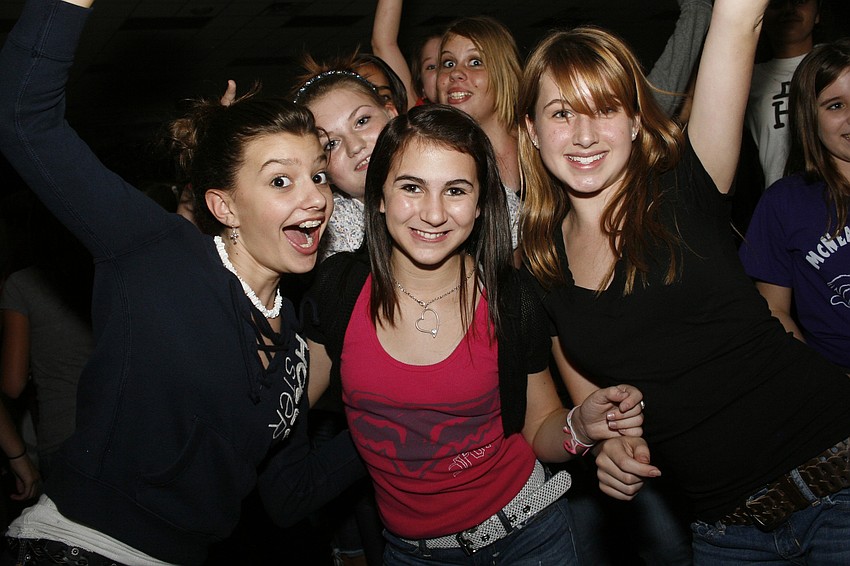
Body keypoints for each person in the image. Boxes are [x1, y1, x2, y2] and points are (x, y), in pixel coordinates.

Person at [0, 0, 366, 564]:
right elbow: (24, 119)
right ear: (224, 205)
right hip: (77, 549)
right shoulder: (161, 257)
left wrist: (401, 425)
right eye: (280, 180)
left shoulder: (292, 339)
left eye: (317, 175)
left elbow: (291, 495)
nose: (315, 197)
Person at [518, 0, 850, 563]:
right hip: (725, 531)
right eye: (560, 113)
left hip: (838, 477)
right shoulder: (540, 264)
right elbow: (592, 414)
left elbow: (738, 18)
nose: (583, 134)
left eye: (605, 108)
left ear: (635, 119)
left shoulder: (688, 184)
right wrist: (610, 445)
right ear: (530, 129)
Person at [305, 104, 645, 565]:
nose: (433, 213)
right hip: (411, 554)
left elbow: (539, 427)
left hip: (531, 537)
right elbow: (278, 413)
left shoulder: (511, 297)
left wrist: (579, 427)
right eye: (411, 187)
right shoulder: (338, 289)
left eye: (456, 190)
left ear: (482, 202)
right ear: (379, 195)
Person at [739, 38, 850, 372]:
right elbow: (774, 309)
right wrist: (823, 382)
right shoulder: (784, 203)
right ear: (808, 117)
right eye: (835, 105)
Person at [291, 61, 400, 260]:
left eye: (362, 121)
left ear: (391, 115)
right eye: (331, 144)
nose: (355, 146)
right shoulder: (332, 229)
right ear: (322, 170)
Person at [746, 0, 822, 188]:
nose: (788, 9)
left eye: (800, 1)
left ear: (818, 12)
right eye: (777, 3)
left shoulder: (839, 65)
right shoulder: (748, 78)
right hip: (784, 201)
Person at [371, 0, 441, 108]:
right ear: (422, 88)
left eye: (449, 63)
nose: (442, 72)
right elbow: (383, 43)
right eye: (431, 67)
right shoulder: (419, 119)